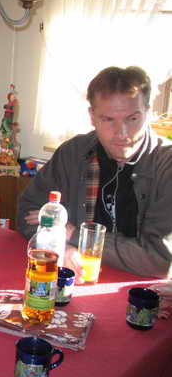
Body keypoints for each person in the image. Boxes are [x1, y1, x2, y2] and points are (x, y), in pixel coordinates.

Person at [18, 66, 172, 280]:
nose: (122, 133)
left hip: (140, 288)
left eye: (132, 119)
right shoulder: (72, 152)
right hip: (76, 279)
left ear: (148, 111)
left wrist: (74, 234)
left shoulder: (167, 165)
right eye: (108, 119)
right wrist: (60, 247)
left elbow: (161, 260)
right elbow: (29, 212)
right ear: (92, 116)